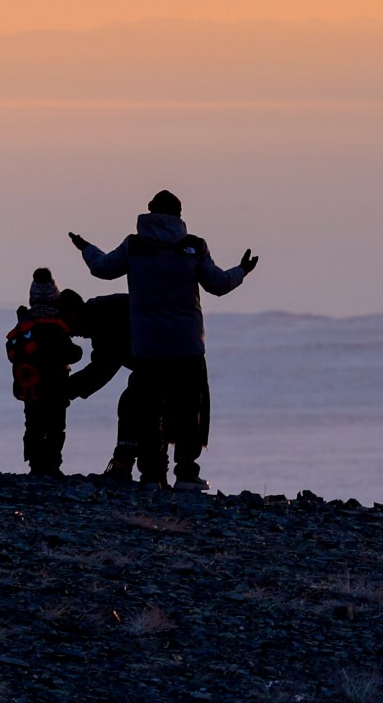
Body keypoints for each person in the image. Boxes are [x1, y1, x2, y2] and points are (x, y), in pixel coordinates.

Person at [69, 189, 259, 491]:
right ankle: (186, 474)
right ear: (179, 215)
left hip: (147, 348)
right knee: (188, 410)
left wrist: (86, 247)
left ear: (149, 212)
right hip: (187, 347)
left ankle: (151, 475)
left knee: (147, 411)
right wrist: (242, 270)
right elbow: (219, 284)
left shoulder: (134, 245)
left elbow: (102, 268)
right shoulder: (194, 247)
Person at [6, 268, 83, 476]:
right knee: (56, 428)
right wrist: (78, 351)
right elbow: (72, 354)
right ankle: (53, 464)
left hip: (30, 391)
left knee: (33, 426)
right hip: (56, 390)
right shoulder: (57, 327)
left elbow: (12, 352)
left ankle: (35, 464)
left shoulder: (25, 325)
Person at [58, 287, 140, 480]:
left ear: (74, 315)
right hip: (163, 352)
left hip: (163, 355)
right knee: (137, 404)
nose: (70, 334)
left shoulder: (103, 319)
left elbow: (102, 369)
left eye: (67, 326)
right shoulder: (98, 312)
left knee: (132, 404)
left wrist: (64, 391)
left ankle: (126, 468)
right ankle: (148, 473)